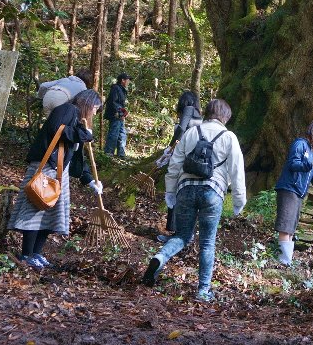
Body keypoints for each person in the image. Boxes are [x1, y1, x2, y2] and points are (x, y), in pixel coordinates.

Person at [142, 98, 246, 301]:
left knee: (182, 235)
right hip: (212, 192)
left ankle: (160, 257)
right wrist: (238, 202)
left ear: (206, 113)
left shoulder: (190, 132)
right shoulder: (229, 137)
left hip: (185, 189)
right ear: (225, 117)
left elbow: (174, 165)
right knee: (207, 243)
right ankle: (203, 291)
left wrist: (170, 193)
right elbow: (237, 171)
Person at [7, 90, 104, 269]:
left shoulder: (79, 121)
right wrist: (84, 134)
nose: (95, 113)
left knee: (51, 213)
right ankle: (26, 255)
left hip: (60, 171)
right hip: (46, 168)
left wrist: (90, 180)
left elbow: (76, 156)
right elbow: (55, 128)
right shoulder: (67, 109)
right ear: (88, 103)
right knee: (36, 209)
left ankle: (37, 253)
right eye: (95, 108)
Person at [274, 120, 313, 266]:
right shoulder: (300, 144)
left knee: (291, 228)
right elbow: (293, 164)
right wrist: (311, 165)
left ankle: (286, 260)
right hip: (289, 189)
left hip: (298, 193)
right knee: (285, 226)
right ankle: (283, 261)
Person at [156, 91, 203, 242]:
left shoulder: (188, 111)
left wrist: (169, 149)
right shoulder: (199, 116)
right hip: (194, 160)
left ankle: (177, 233)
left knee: (176, 193)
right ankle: (184, 233)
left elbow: (181, 130)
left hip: (182, 158)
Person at [104, 73, 131, 157]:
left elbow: (119, 103)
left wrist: (123, 112)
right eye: (127, 80)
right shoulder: (116, 88)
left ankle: (121, 154)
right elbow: (113, 102)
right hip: (115, 115)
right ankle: (108, 153)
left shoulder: (121, 89)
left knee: (122, 133)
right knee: (114, 133)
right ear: (122, 80)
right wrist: (120, 113)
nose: (128, 82)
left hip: (119, 114)